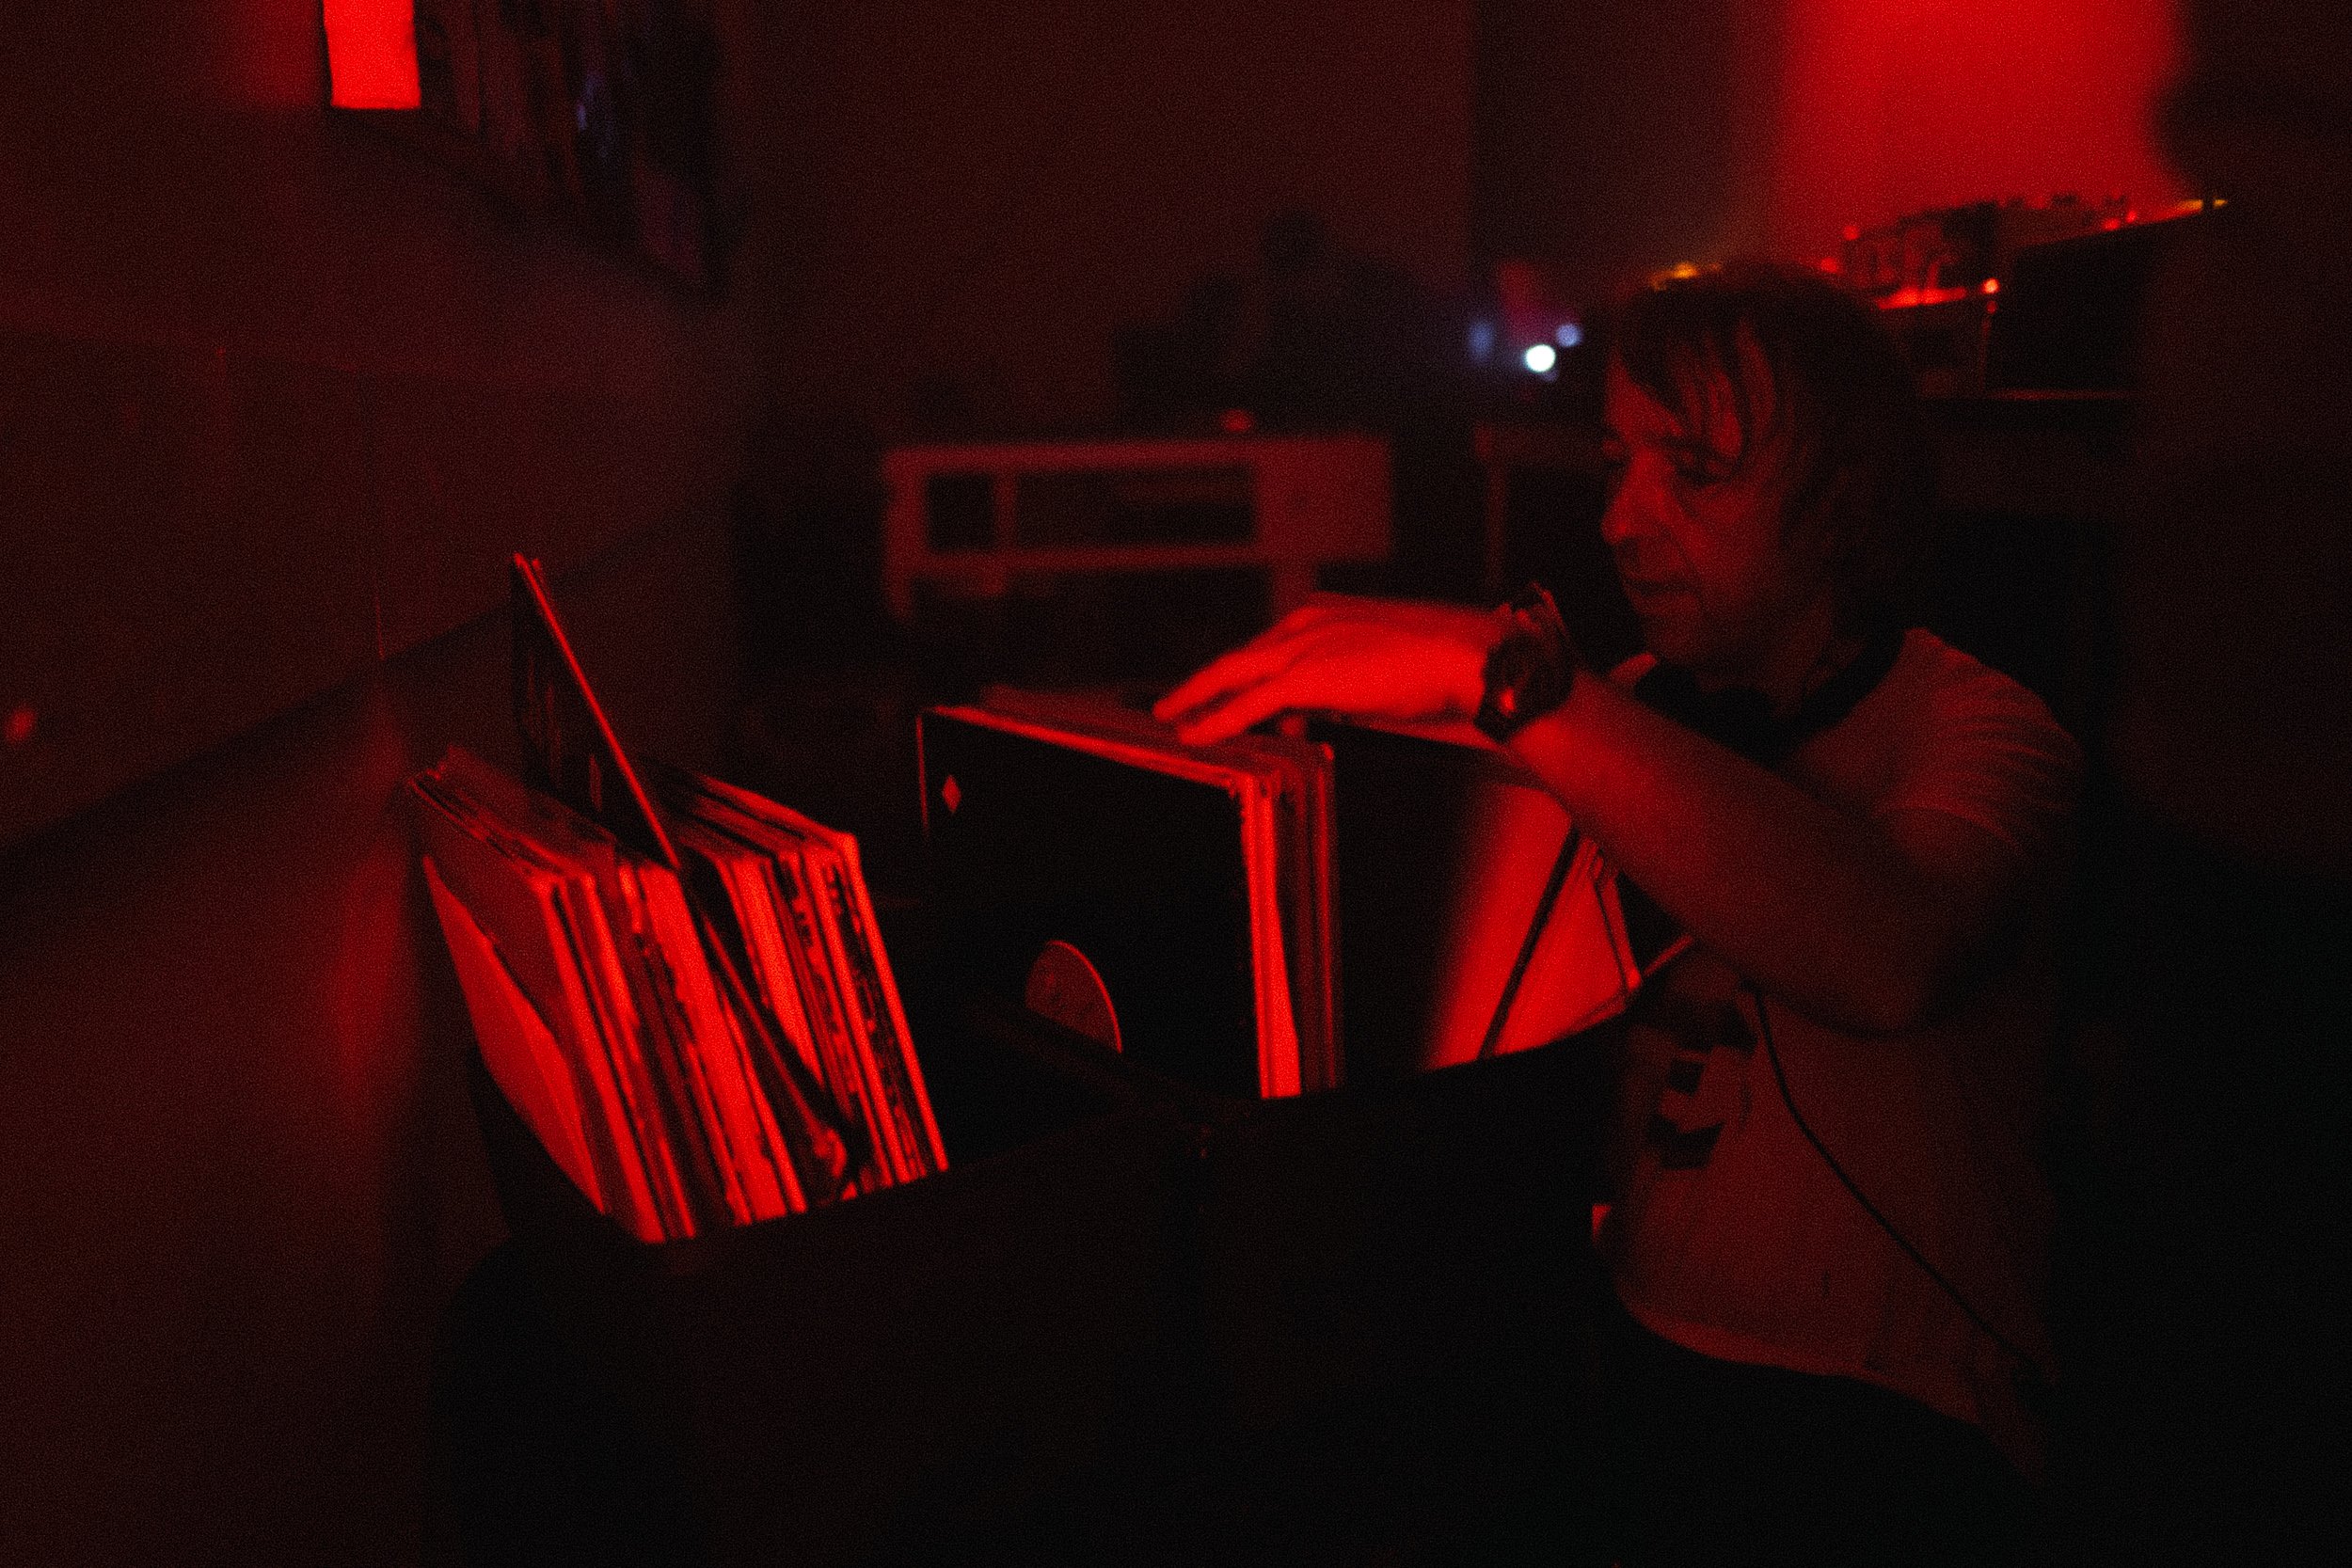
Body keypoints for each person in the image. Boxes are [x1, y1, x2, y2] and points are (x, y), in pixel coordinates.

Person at [1154, 261, 2080, 1564]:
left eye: (1693, 472)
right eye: (1617, 464)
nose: (1622, 520)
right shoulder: (1626, 712)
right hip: (1632, 1363)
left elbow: (1895, 953)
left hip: (1896, 1424)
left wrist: (1506, 684)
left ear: (1841, 500)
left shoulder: (1984, 731)